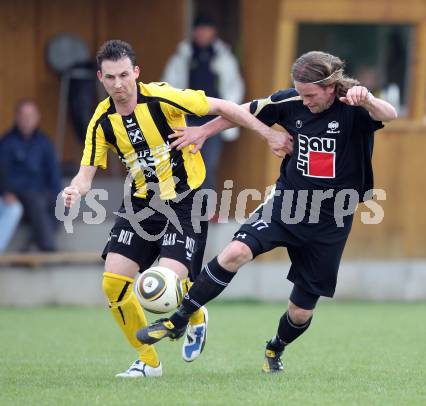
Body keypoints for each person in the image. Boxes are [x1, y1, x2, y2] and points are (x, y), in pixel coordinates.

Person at [136, 51, 398, 373]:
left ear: (331, 87)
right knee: (235, 252)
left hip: (332, 220)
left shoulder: (354, 109)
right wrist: (204, 131)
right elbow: (242, 111)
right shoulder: (292, 102)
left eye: (311, 95)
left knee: (300, 311)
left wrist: (368, 99)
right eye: (300, 93)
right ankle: (177, 321)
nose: (304, 101)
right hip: (287, 204)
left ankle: (275, 348)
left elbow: (390, 113)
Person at [62, 40, 291, 378]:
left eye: (124, 74)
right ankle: (148, 361)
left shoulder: (163, 97)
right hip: (142, 204)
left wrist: (267, 134)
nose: (119, 84)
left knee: (169, 280)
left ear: (136, 72)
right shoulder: (102, 121)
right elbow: (85, 176)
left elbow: (225, 106)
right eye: (110, 77)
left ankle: (196, 315)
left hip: (187, 199)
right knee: (113, 284)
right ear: (101, 78)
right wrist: (74, 190)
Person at [162, 15, 245, 196]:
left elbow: (234, 87)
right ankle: (182, 206)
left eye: (206, 29)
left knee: (208, 165)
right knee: (181, 164)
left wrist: (229, 114)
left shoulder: (224, 57)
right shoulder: (183, 56)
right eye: (199, 29)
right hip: (185, 121)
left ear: (213, 32)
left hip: (214, 121)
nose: (202, 34)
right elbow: (168, 87)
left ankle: (206, 208)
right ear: (194, 32)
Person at [0, 100, 61, 252]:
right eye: (23, 116)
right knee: (37, 201)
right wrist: (6, 192)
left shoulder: (44, 142)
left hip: (41, 191)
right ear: (17, 117)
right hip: (18, 193)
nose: (27, 120)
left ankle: (34, 241)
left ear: (37, 117)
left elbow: (53, 171)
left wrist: (60, 194)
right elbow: (2, 171)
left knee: (62, 206)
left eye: (31, 116)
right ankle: (47, 248)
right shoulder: (7, 142)